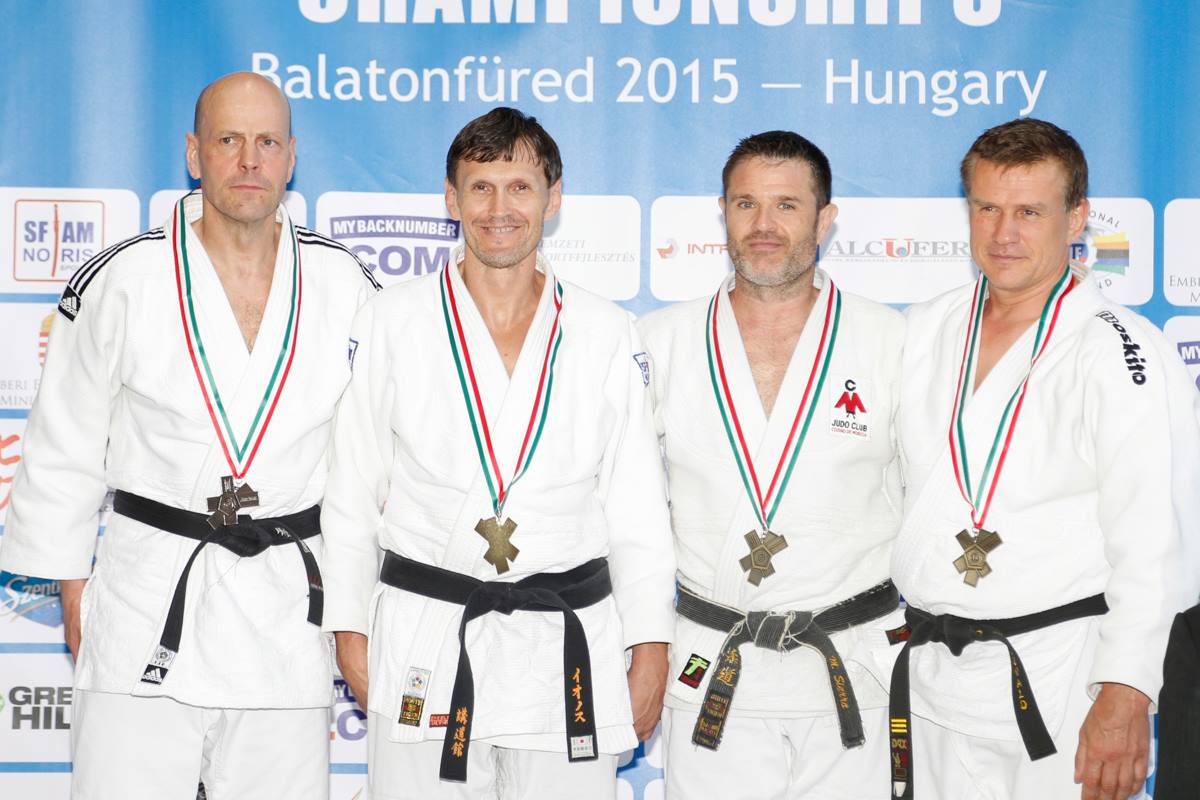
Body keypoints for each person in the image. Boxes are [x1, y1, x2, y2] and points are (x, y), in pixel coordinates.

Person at [0, 71, 379, 799]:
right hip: (145, 599)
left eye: (267, 142)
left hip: (284, 615)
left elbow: (370, 465)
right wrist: (75, 593)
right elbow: (63, 444)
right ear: (193, 153)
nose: (249, 160)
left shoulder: (346, 285)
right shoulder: (122, 278)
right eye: (228, 140)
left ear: (292, 157)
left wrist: (355, 609)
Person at [320, 107, 675, 799]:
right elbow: (351, 491)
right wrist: (349, 629)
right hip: (426, 632)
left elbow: (637, 510)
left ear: (553, 197)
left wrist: (652, 646)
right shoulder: (392, 320)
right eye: (480, 187)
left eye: (520, 187)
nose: (499, 208)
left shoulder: (606, 331)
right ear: (451, 199)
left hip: (565, 643)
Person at [890, 117, 1200, 800]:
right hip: (935, 672)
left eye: (1029, 211)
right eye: (987, 208)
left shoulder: (1120, 351)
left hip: (1061, 674)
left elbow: (1156, 541)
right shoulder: (923, 328)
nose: (1004, 233)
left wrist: (1124, 691)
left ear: (1077, 217)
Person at [637, 131, 905, 799]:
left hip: (854, 665)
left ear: (825, 218)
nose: (763, 225)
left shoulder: (892, 341)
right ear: (722, 212)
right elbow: (629, 518)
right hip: (709, 659)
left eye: (786, 205)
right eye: (745, 204)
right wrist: (642, 644)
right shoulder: (659, 341)